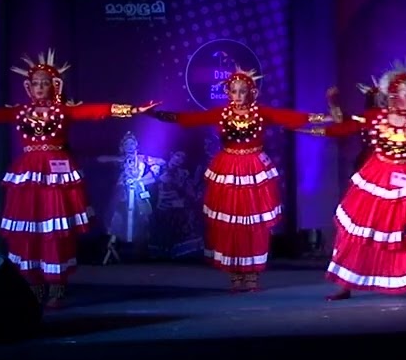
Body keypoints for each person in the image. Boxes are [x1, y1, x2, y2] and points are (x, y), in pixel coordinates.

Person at [0, 50, 157, 307]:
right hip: (28, 174)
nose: (40, 87)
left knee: (55, 231)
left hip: (57, 174)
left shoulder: (64, 110)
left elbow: (96, 111)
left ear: (55, 85)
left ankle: (56, 287)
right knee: (29, 231)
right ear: (28, 87)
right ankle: (33, 285)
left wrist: (134, 110)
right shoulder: (21, 112)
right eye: (35, 83)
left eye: (45, 82)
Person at [145, 67, 338, 292]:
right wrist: (155, 114)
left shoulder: (261, 112)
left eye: (242, 91)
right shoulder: (222, 113)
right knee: (231, 224)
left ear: (251, 93)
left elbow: (290, 118)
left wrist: (324, 117)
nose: (237, 96)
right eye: (234, 91)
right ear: (228, 93)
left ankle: (253, 273)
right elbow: (189, 119)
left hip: (254, 170)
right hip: (228, 169)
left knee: (253, 225)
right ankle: (235, 274)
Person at [306, 63, 406, 301]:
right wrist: (334, 104)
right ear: (392, 96)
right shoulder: (374, 117)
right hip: (376, 178)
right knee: (356, 231)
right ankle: (345, 284)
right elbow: (343, 125)